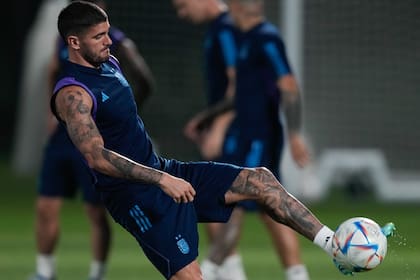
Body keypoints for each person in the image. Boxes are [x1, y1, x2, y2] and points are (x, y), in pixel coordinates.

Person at [51, 1, 360, 279]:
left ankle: (335, 246)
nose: (108, 41)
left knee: (261, 181)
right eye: (99, 37)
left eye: (107, 32)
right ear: (74, 42)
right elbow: (96, 156)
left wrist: (164, 174)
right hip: (136, 198)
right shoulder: (72, 94)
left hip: (164, 171)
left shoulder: (110, 64)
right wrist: (161, 180)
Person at [173, 0, 311, 279]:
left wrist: (295, 134)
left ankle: (212, 270)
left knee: (234, 200)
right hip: (243, 134)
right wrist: (207, 117)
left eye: (182, 5)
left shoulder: (256, 36)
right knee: (260, 205)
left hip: (255, 135)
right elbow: (241, 92)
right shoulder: (244, 37)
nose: (181, 14)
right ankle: (273, 273)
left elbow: (287, 87)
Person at [31, 1, 155, 279]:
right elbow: (53, 70)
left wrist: (124, 115)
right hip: (63, 138)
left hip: (96, 140)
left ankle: (97, 274)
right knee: (46, 205)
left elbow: (144, 78)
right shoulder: (65, 40)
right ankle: (44, 272)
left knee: (96, 212)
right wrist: (50, 116)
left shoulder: (115, 44)